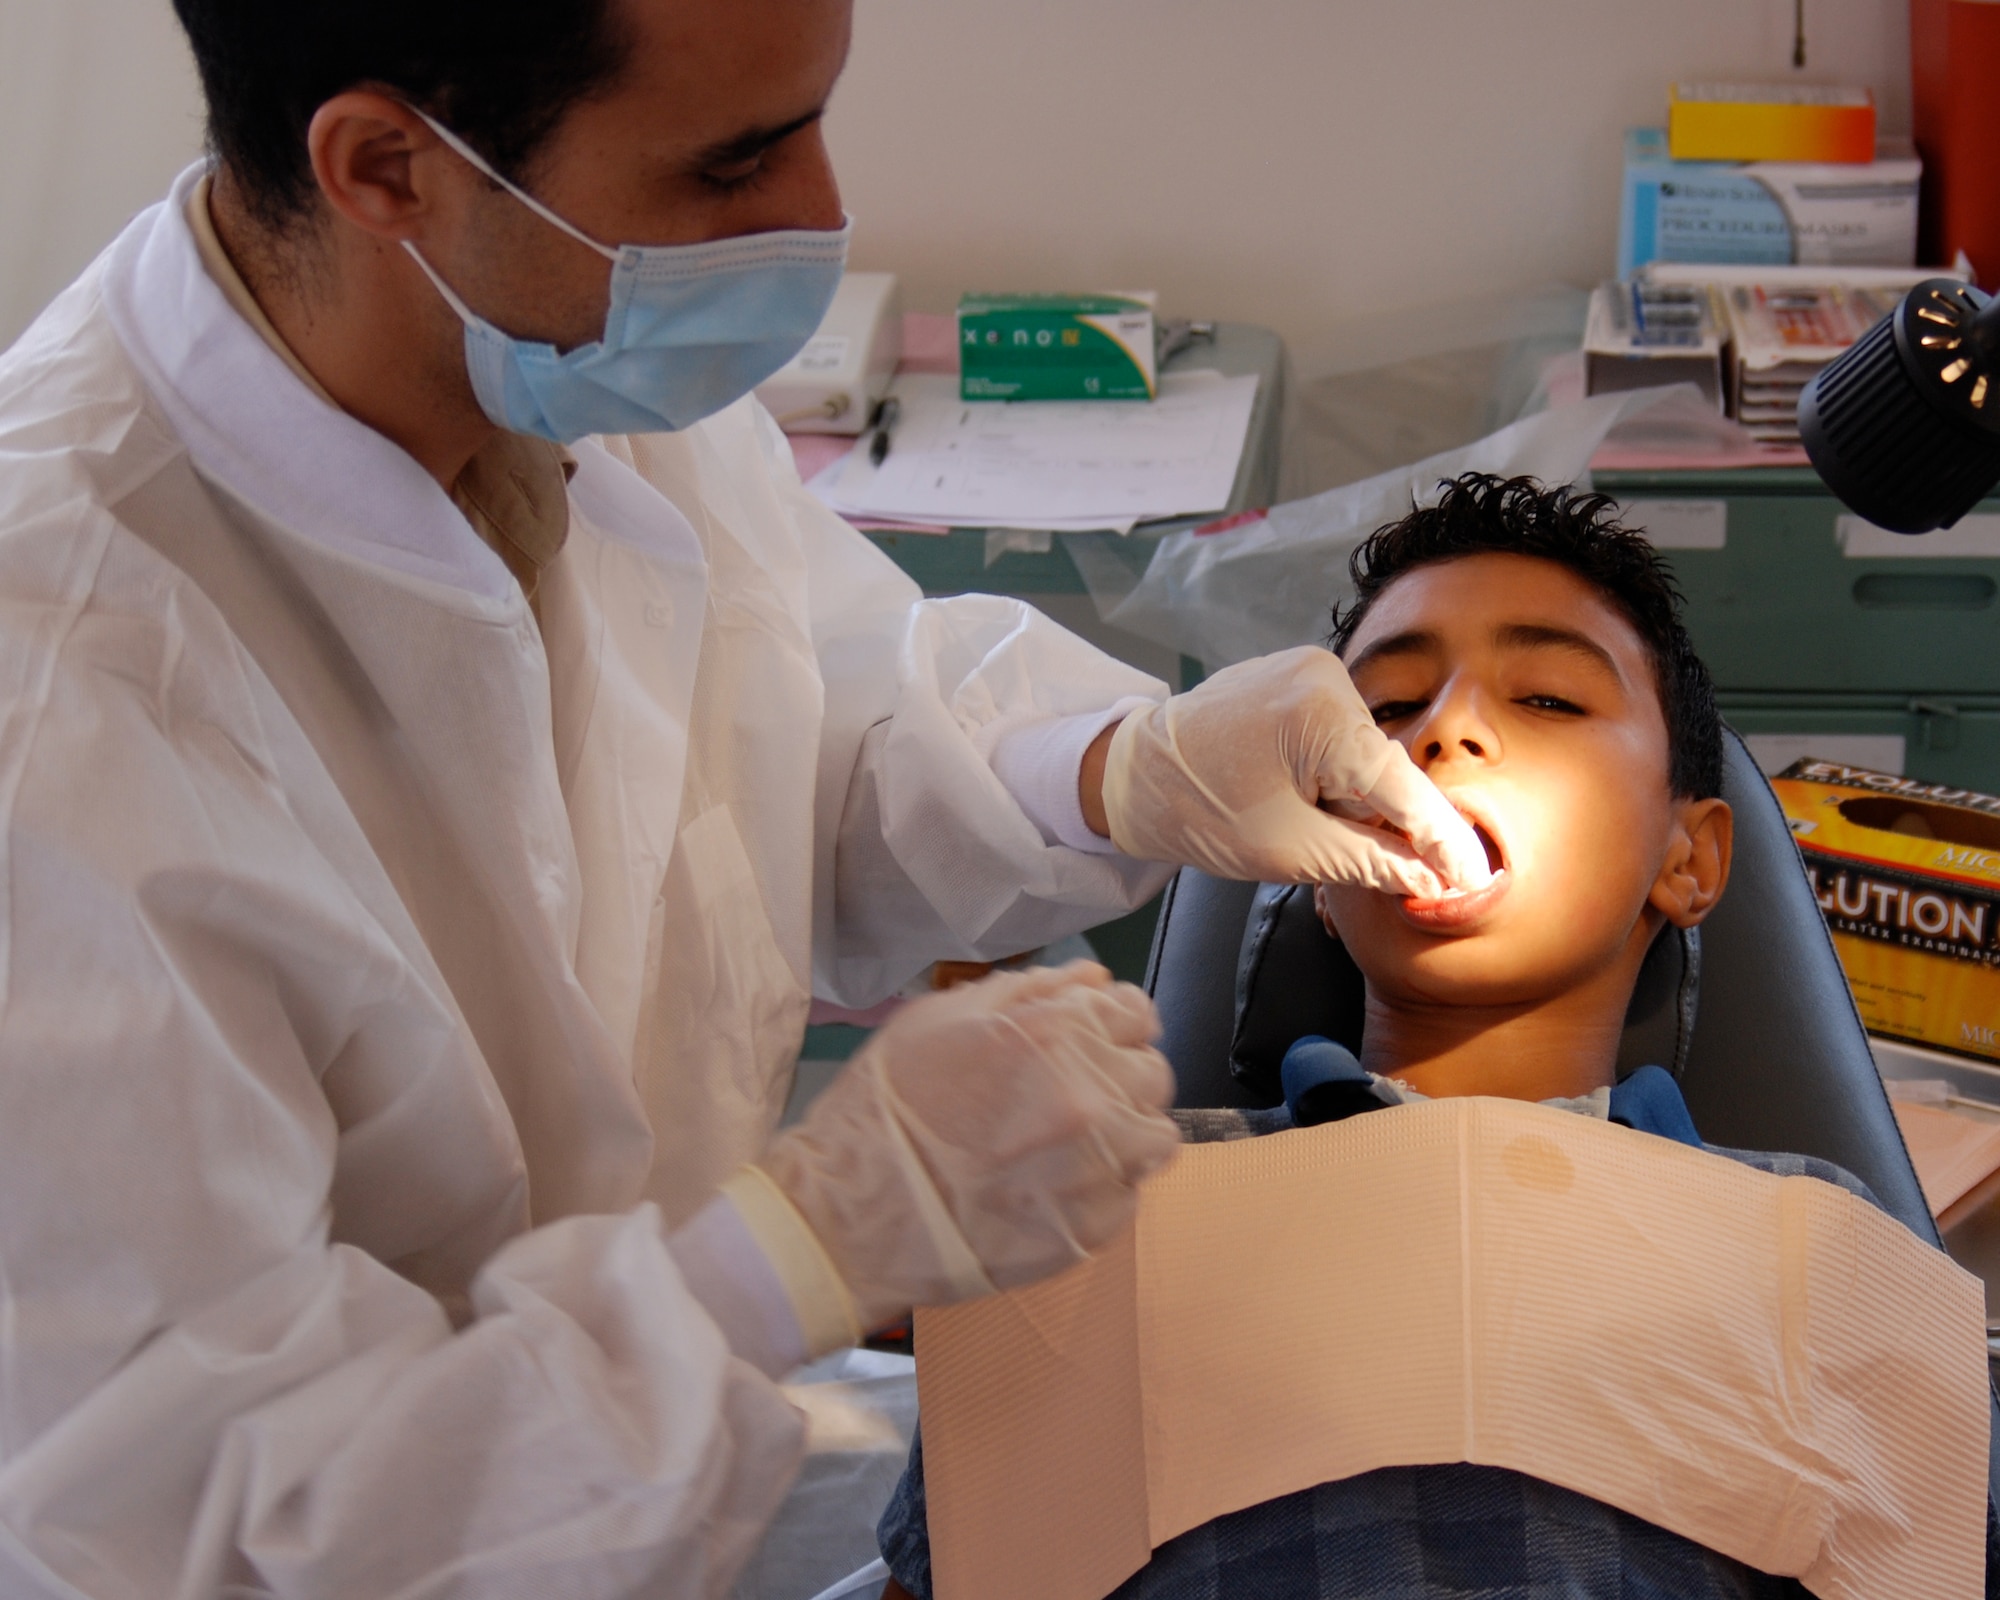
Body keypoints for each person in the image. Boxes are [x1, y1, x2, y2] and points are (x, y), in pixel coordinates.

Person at [0, 1, 1499, 1594]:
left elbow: (786, 726)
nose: (815, 217)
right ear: (386, 167)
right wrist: (799, 1251)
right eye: (734, 160)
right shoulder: (63, 713)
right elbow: (207, 1530)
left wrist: (1109, 769)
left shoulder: (563, 354)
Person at [874, 473, 1975, 1600]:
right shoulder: (1102, 1220)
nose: (1442, 731)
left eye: (1546, 697)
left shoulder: (1825, 1262)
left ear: (1686, 859)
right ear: (1308, 852)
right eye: (1386, 711)